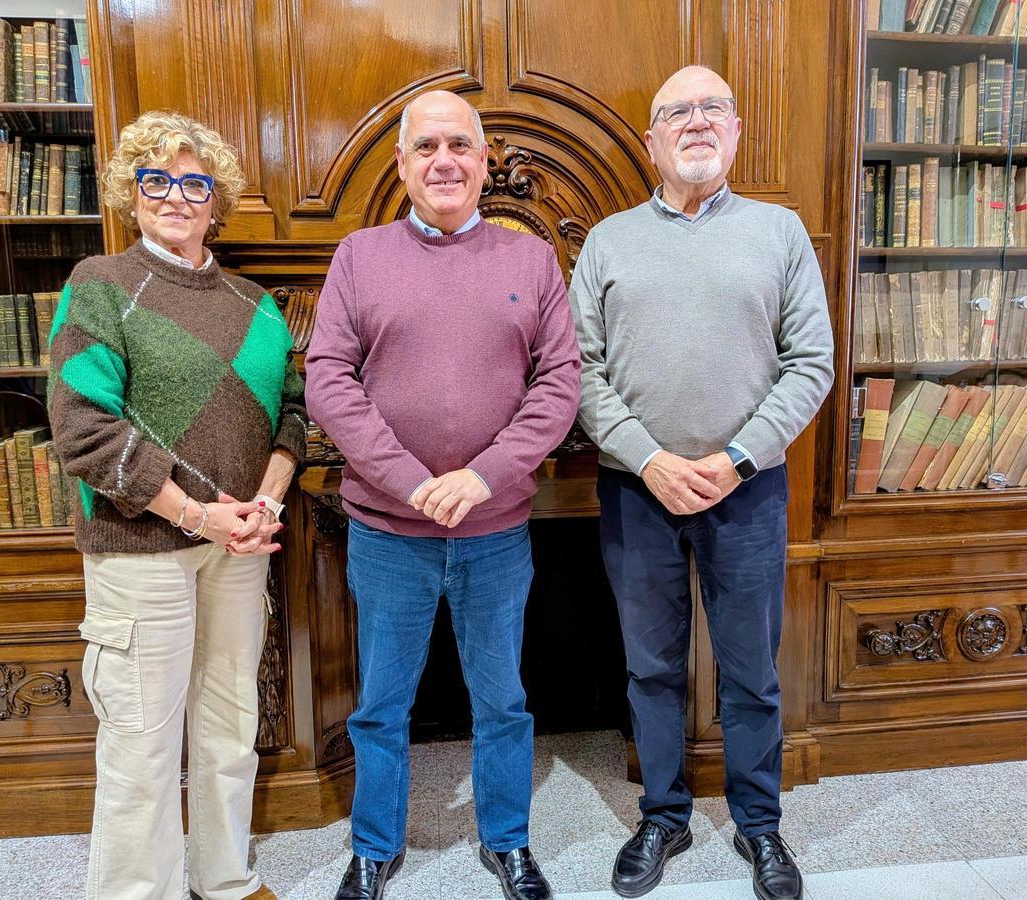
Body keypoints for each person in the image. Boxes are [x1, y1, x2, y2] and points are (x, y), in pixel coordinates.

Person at [306, 89, 581, 900]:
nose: (444, 161)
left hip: (496, 530)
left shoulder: (530, 258)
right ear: (402, 165)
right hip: (389, 531)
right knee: (382, 703)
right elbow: (327, 381)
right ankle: (374, 847)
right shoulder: (359, 255)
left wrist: (483, 475)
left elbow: (559, 384)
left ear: (485, 159)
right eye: (426, 148)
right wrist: (414, 482)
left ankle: (508, 841)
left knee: (503, 698)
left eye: (459, 145)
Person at [568, 67, 834, 900]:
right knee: (650, 667)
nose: (695, 122)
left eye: (711, 108)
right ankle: (664, 816)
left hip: (747, 492)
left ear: (737, 130)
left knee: (752, 668)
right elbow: (578, 370)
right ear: (650, 141)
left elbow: (812, 364)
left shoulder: (781, 231)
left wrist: (735, 459)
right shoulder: (608, 241)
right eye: (675, 112)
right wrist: (649, 458)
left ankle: (760, 827)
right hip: (636, 493)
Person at [48, 109, 307, 900]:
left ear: (216, 200)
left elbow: (292, 412)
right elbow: (83, 428)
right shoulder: (100, 285)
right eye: (157, 180)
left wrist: (265, 499)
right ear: (133, 191)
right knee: (141, 743)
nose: (176, 197)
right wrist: (196, 514)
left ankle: (224, 879)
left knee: (229, 729)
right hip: (138, 551)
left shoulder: (257, 304)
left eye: (195, 183)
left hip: (237, 552)